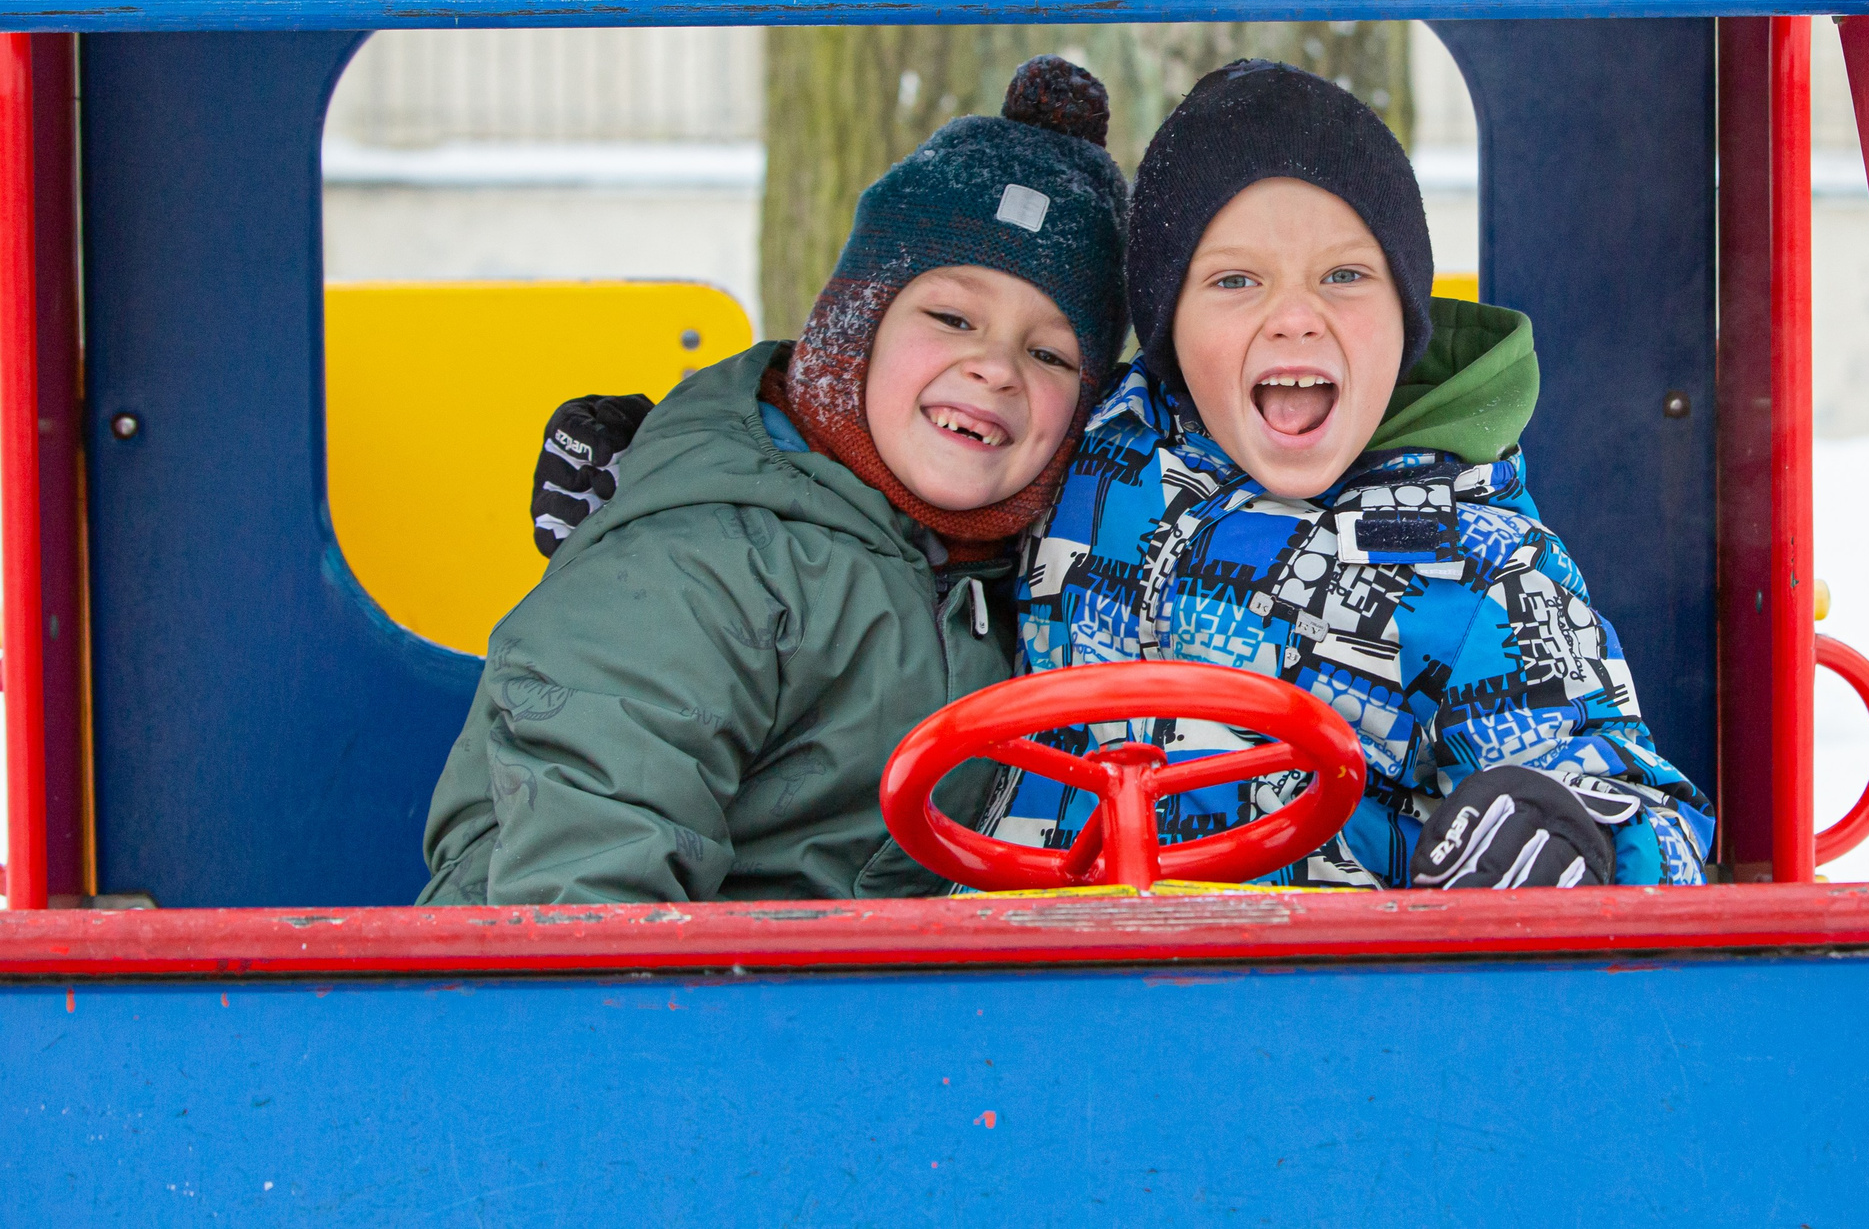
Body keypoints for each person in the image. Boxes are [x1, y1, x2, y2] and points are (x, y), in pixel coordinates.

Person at [417, 58, 1129, 905]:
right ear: (856, 327)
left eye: (1049, 353)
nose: (995, 368)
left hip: (824, 998)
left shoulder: (1020, 578)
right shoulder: (704, 559)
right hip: (568, 990)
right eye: (951, 317)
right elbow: (587, 863)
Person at [997, 59, 1715, 889]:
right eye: (1235, 281)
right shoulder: (1092, 446)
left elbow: (1627, 793)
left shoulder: (1479, 566)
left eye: (1345, 276)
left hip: (1313, 993)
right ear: (1168, 328)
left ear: (1405, 318)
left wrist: (1577, 840)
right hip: (1027, 962)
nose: (1296, 317)